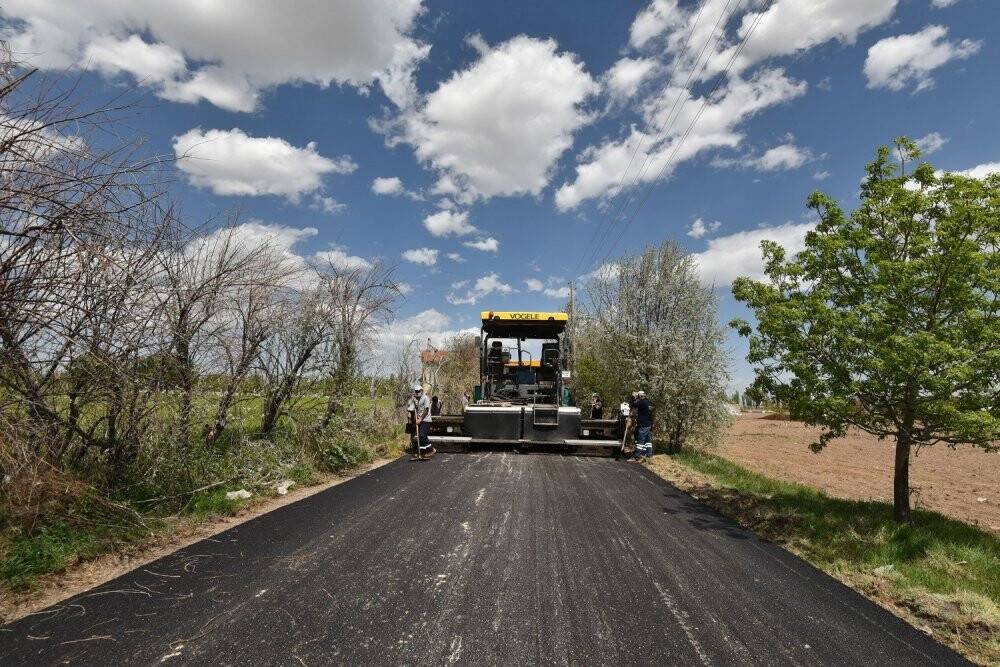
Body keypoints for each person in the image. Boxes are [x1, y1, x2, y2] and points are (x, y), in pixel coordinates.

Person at [406, 382, 435, 460]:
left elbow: (426, 409)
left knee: (422, 435)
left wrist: (420, 419)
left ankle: (432, 449)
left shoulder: (425, 398)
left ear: (422, 391)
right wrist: (410, 413)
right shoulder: (416, 399)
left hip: (426, 420)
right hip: (419, 420)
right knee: (419, 436)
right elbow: (411, 408)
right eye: (416, 391)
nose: (417, 392)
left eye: (418, 391)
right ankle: (421, 453)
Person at [631, 390, 655, 461]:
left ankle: (637, 456)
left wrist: (632, 397)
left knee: (640, 440)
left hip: (643, 424)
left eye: (638, 396)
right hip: (648, 424)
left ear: (640, 396)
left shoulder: (642, 402)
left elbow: (632, 405)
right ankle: (649, 454)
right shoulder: (649, 403)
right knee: (648, 440)